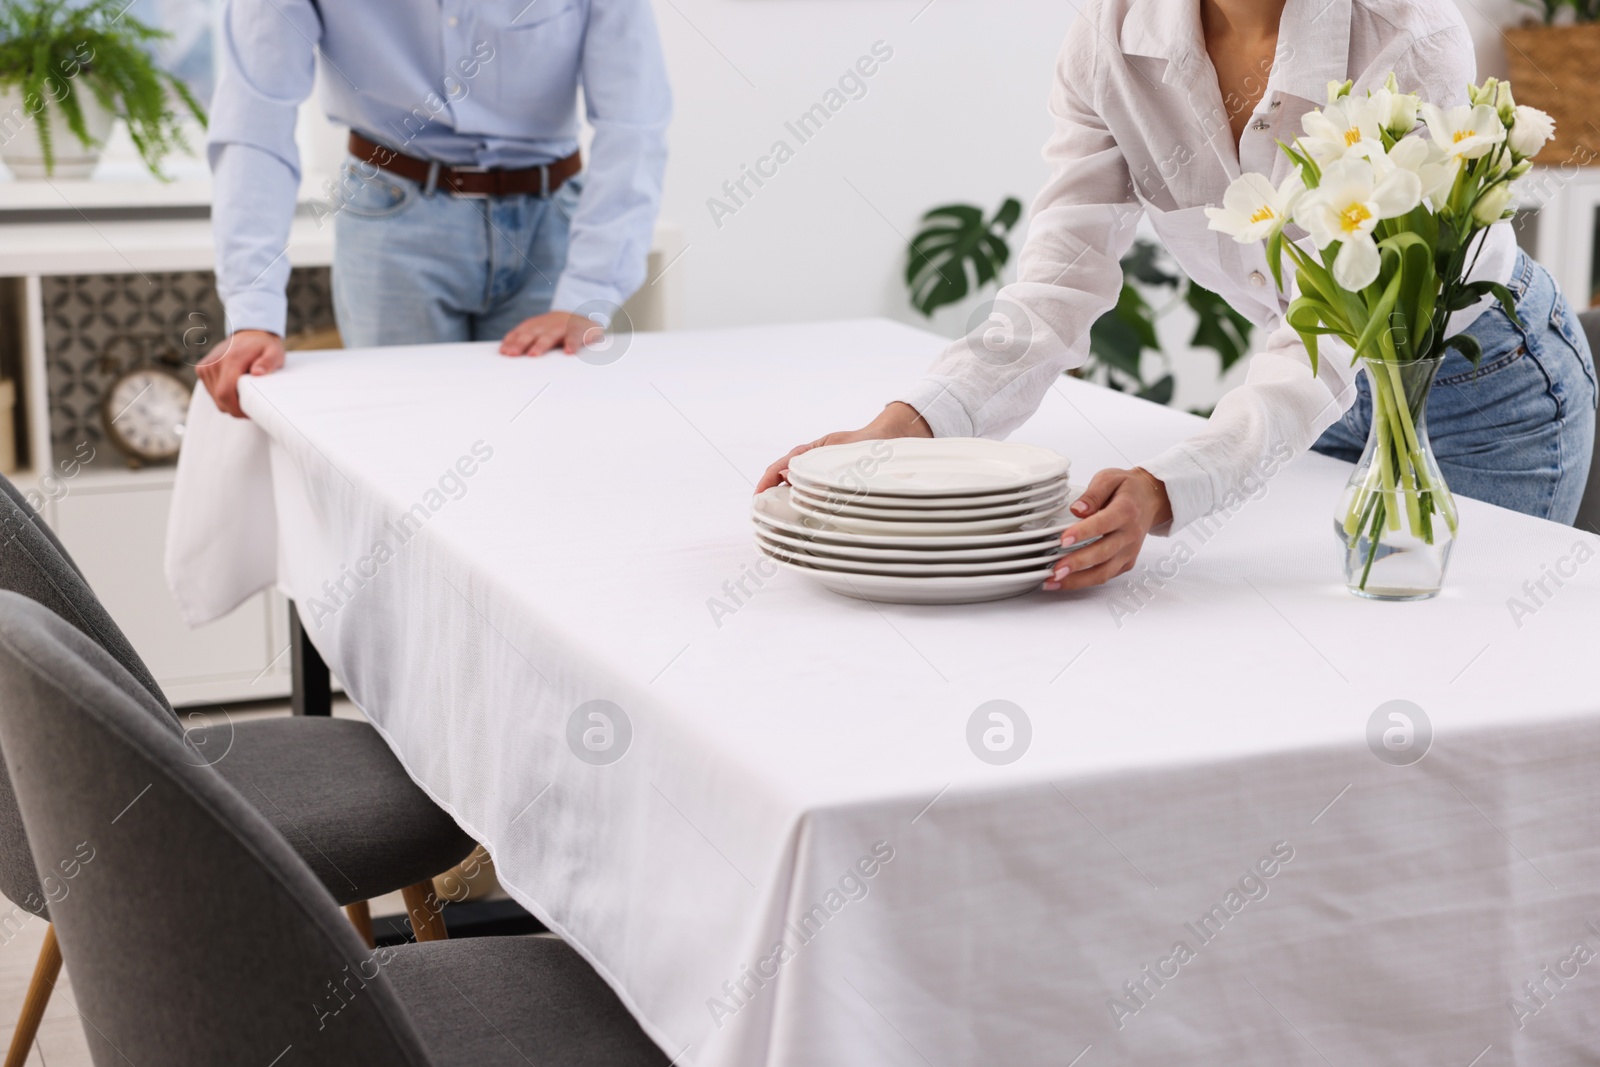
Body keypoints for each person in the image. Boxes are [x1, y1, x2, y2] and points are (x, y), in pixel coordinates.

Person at [758, 0, 1597, 592]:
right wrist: (900, 432)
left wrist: (1174, 485)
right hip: (1316, 389)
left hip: (1487, 391)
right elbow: (1058, 284)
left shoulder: (1404, 32)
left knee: (1448, 679)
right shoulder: (1109, 37)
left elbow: (1347, 326)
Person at [197, 0, 671, 418]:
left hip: (554, 230)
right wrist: (253, 313)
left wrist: (589, 289)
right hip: (393, 221)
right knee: (402, 449)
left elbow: (634, 121)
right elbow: (255, 125)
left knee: (544, 446)